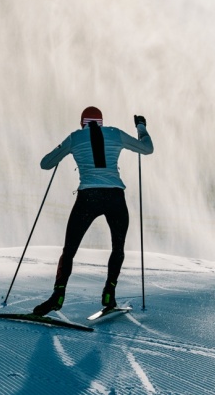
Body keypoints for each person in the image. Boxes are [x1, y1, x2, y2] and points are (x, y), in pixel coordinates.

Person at [32, 106, 153, 316]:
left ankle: (57, 296)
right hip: (115, 197)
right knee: (118, 248)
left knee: (69, 250)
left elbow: (45, 164)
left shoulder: (75, 138)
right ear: (102, 122)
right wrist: (141, 126)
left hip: (88, 198)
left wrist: (62, 153)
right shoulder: (115, 134)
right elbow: (147, 149)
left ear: (82, 123)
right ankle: (109, 293)